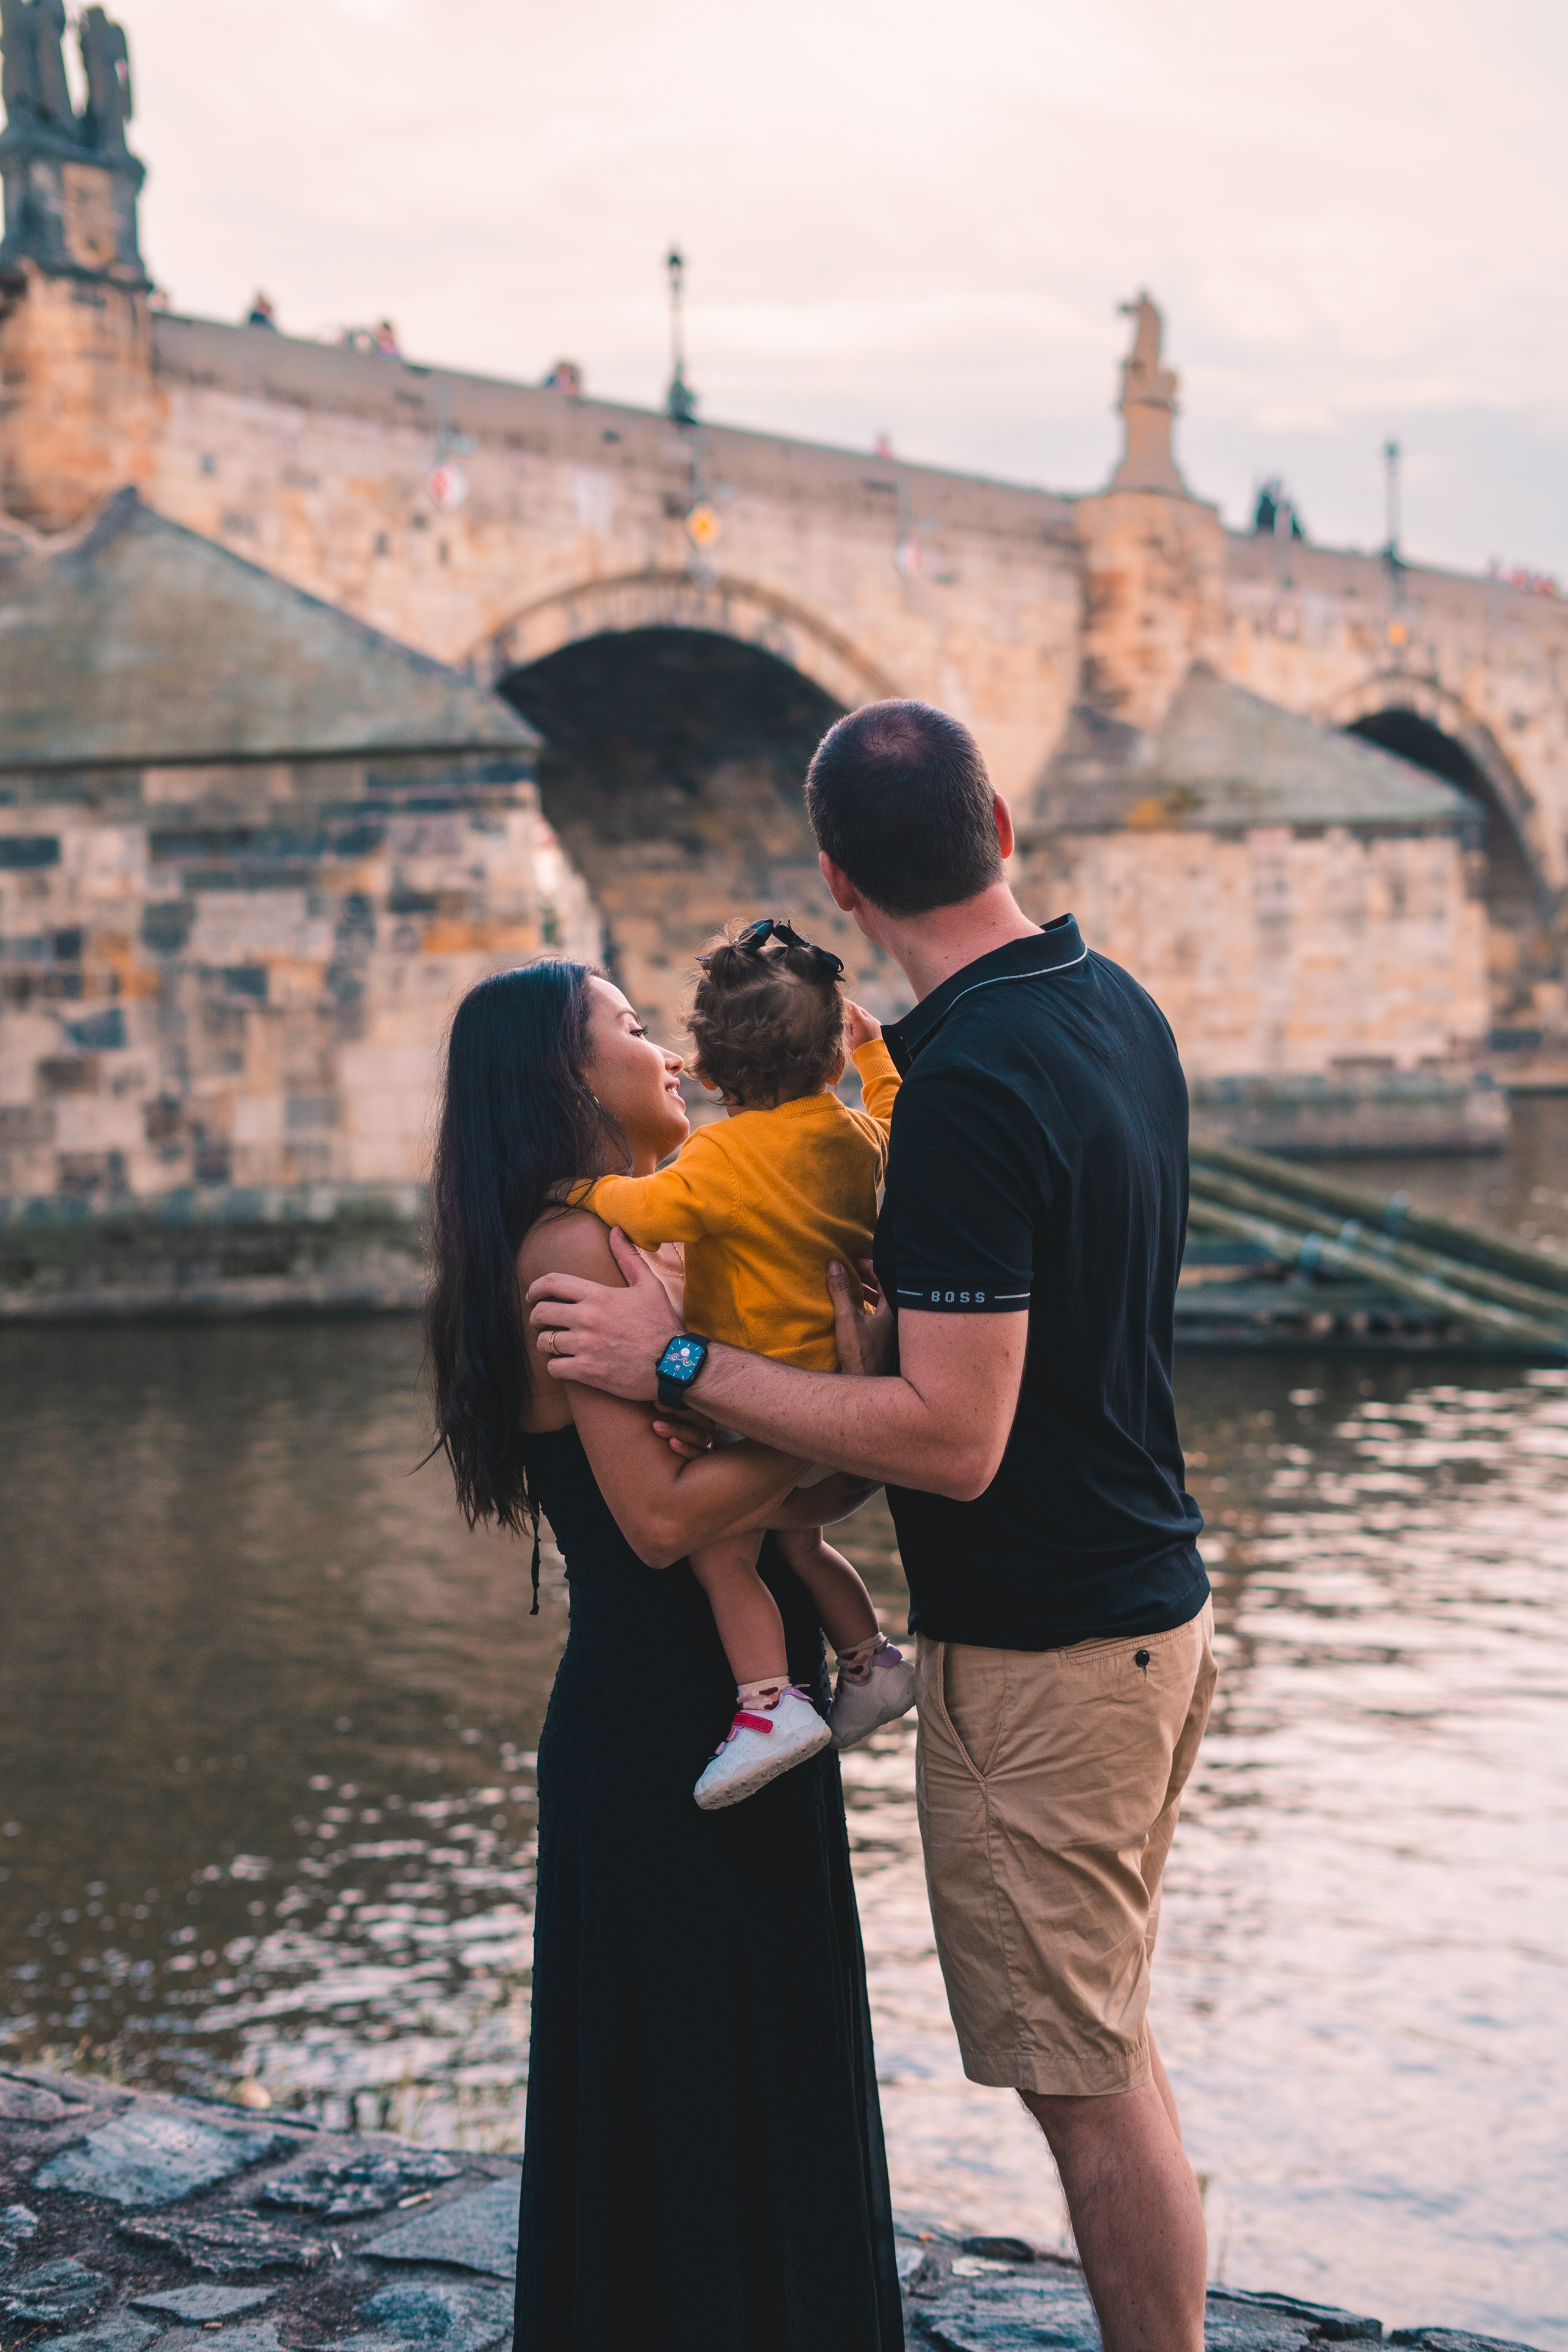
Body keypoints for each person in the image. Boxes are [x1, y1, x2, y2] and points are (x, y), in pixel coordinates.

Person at [525, 701, 1217, 2352]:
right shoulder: (1111, 1006)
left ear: (839, 879)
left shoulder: (963, 1084)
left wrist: (677, 1361)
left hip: (1050, 1647)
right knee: (1108, 2048)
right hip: (1149, 1604)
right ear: (999, 822)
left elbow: (955, 1442)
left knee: (1084, 2092)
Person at [426, 962, 904, 2352]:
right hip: (664, 1735)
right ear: (568, 1079)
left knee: (770, 2075)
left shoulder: (662, 1230)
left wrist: (838, 1399)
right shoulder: (569, 1250)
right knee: (694, 2099)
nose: (670, 1052)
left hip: (754, 1717)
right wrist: (839, 1400)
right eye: (633, 1029)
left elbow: (811, 1494)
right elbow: (660, 1522)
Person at [570, 917, 916, 1809]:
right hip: (834, 1381)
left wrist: (581, 1192)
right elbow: (896, 1119)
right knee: (801, 1541)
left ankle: (769, 1705)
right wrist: (876, 1059)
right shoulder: (853, 1137)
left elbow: (649, 1212)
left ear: (714, 1075)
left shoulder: (722, 1155)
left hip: (755, 1388)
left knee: (727, 1556)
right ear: (830, 1061)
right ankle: (871, 1661)